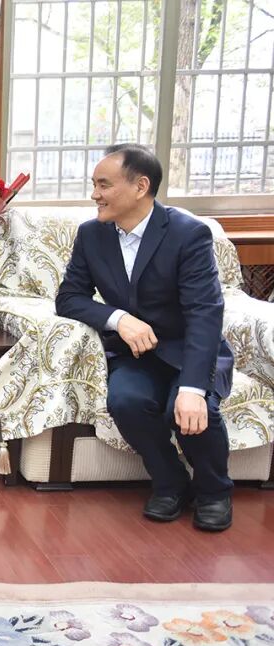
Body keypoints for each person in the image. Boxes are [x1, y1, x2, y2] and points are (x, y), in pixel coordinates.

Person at [56, 144, 234, 532]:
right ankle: (171, 484)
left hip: (189, 352)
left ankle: (214, 492)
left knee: (188, 411)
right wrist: (119, 319)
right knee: (126, 401)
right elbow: (69, 297)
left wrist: (193, 387)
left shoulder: (188, 234)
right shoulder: (91, 235)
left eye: (104, 185)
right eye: (93, 184)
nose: (94, 194)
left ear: (140, 186)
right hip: (136, 354)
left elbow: (204, 313)